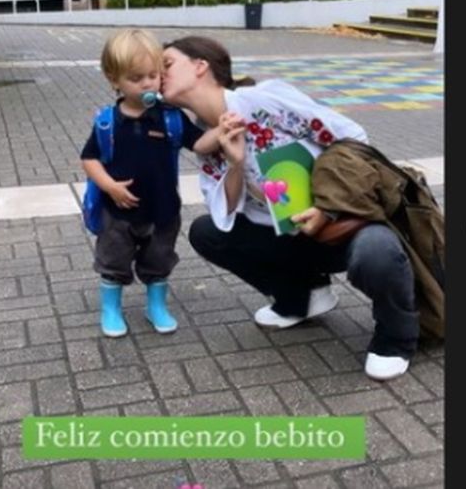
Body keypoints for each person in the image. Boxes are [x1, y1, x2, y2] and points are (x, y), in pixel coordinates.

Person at [160, 35, 421, 380]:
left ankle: (395, 338)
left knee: (376, 251)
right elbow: (224, 214)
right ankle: (304, 298)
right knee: (206, 232)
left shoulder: (262, 101)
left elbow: (353, 136)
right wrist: (235, 163)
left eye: (166, 65)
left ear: (200, 67)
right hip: (289, 236)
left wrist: (326, 207)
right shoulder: (205, 142)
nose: (158, 74)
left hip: (342, 226)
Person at [80, 30, 220, 338]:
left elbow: (200, 145)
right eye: (136, 77)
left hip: (163, 210)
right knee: (113, 261)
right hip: (117, 213)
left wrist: (222, 132)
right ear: (113, 79)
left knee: (159, 260)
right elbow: (89, 159)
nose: (147, 83)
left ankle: (155, 306)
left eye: (153, 75)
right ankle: (111, 308)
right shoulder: (108, 121)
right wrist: (109, 186)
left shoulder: (170, 118)